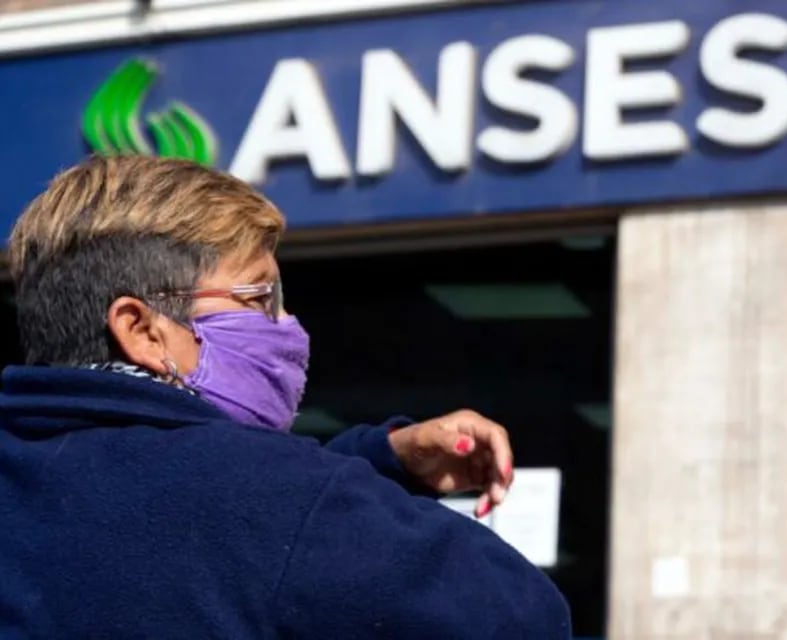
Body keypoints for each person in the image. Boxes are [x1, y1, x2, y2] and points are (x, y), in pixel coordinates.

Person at [0, 155, 572, 639]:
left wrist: (377, 458)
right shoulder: (274, 496)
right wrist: (337, 484)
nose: (287, 324)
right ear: (143, 329)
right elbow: (524, 615)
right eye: (259, 297)